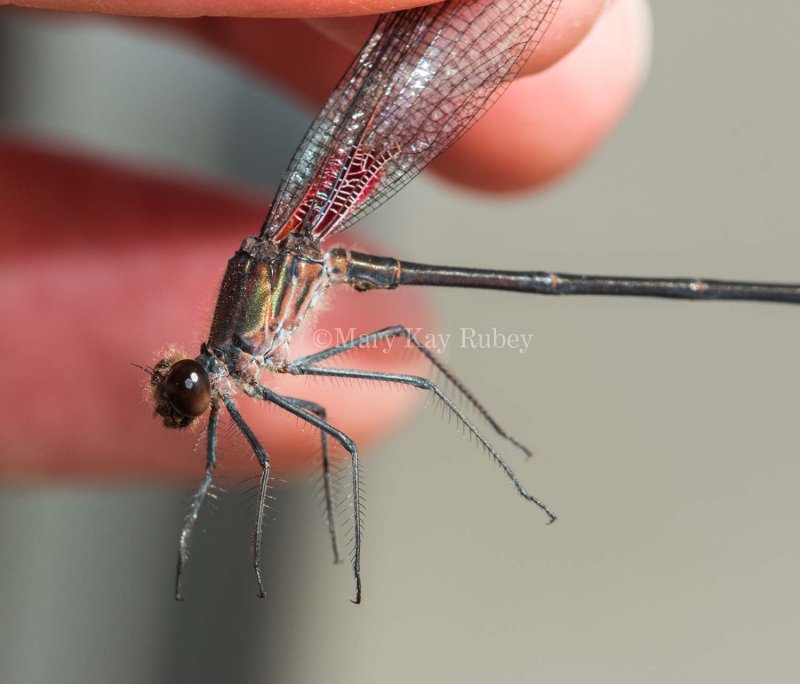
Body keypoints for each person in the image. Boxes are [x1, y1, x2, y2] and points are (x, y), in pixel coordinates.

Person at [0, 0, 651, 479]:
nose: (195, 393)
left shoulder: (242, 339)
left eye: (190, 385)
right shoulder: (239, 359)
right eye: (190, 389)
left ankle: (504, 447)